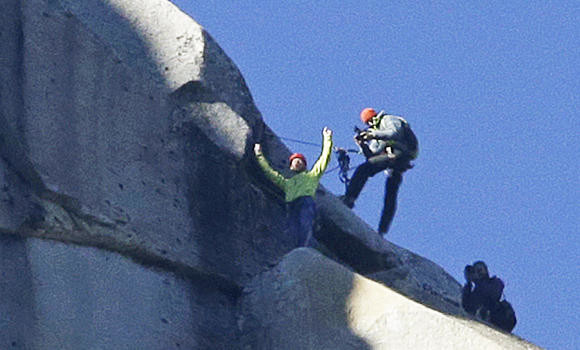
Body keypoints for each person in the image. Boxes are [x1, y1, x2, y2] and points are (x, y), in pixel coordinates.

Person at [341, 107, 418, 234]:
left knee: (364, 170)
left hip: (401, 153)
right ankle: (382, 231)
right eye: (368, 123)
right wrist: (363, 145)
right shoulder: (375, 131)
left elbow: (395, 132)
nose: (370, 124)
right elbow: (372, 157)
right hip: (395, 158)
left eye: (370, 120)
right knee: (390, 192)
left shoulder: (387, 119)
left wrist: (372, 135)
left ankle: (349, 198)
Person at [254, 127, 333, 247]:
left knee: (305, 225)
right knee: (290, 230)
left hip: (305, 202)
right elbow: (269, 172)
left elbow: (324, 158)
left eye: (300, 161)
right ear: (291, 166)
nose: (297, 162)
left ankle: (303, 248)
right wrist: (259, 154)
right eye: (294, 161)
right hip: (291, 205)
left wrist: (327, 138)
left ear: (304, 165)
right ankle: (295, 250)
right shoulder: (287, 183)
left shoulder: (312, 175)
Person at [462, 261, 517, 332]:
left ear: (486, 270)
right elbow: (468, 307)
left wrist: (477, 281)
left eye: (480, 270)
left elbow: (491, 293)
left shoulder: (495, 282)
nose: (479, 273)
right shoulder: (475, 291)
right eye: (476, 271)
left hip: (501, 317)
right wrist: (468, 283)